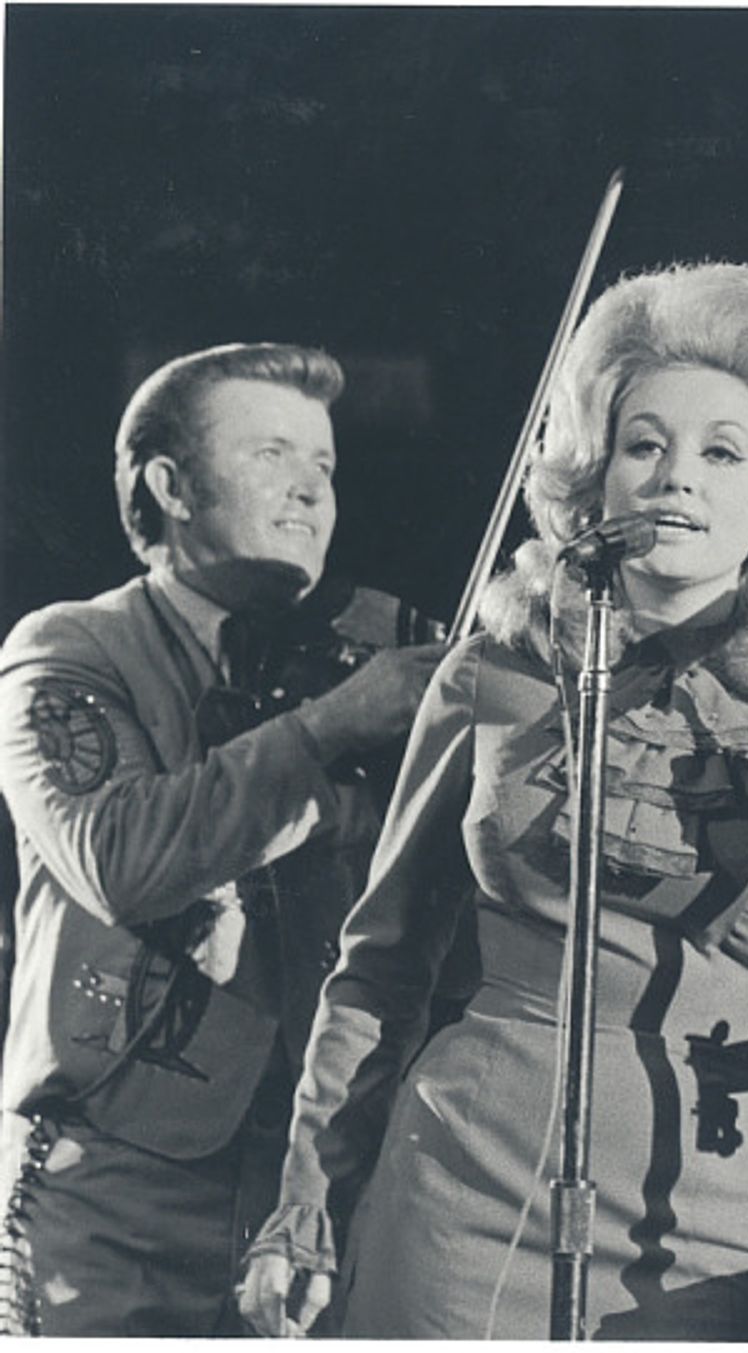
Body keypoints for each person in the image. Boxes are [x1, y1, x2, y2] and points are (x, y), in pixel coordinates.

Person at [238, 262, 748, 1340]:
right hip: (457, 1197)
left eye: (721, 453)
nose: (673, 480)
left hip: (707, 1228)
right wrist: (309, 1204)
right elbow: (380, 966)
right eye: (644, 444)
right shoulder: (490, 676)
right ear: (592, 475)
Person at [0, 342, 443, 1334]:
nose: (309, 492)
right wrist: (328, 732)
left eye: (324, 467)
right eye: (272, 455)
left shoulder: (373, 643)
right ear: (171, 485)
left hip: (316, 1181)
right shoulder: (68, 648)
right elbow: (121, 858)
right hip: (117, 1185)